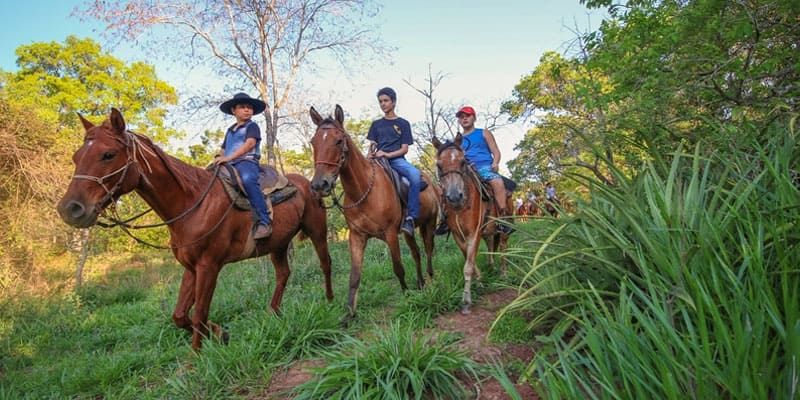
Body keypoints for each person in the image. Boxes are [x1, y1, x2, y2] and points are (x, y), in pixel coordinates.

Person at [214, 92, 272, 239]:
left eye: (249, 107)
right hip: (229, 163)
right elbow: (223, 148)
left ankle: (265, 221)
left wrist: (229, 157)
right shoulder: (230, 130)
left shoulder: (252, 126)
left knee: (247, 180)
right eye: (242, 107)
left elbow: (249, 144)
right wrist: (219, 158)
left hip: (247, 161)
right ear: (234, 110)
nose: (247, 110)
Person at [367, 87, 420, 235]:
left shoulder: (403, 123)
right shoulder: (376, 124)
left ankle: (411, 217)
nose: (383, 104)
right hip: (377, 161)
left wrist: (388, 155)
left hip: (396, 160)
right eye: (380, 101)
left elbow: (404, 149)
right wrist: (370, 154)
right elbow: (372, 145)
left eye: (386, 101)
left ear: (394, 102)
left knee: (415, 175)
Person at [457, 105, 512, 234]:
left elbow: (496, 152)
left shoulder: (483, 133)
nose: (464, 119)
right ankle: (446, 219)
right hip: (466, 170)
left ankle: (503, 218)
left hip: (484, 167)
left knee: (497, 182)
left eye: (467, 116)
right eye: (461, 117)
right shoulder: (458, 139)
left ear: (474, 118)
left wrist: (495, 162)